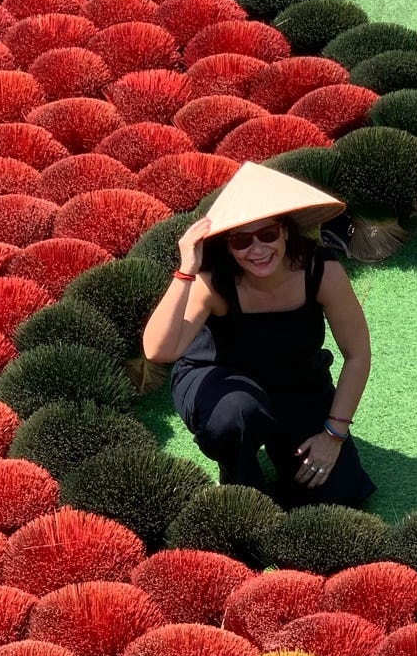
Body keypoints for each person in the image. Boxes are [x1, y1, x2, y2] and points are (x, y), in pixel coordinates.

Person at [141, 161, 375, 506]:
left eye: (267, 234)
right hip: (221, 383)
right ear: (228, 246)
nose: (258, 249)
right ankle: (239, 478)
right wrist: (186, 270)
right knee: (237, 414)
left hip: (296, 384)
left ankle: (283, 445)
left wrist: (333, 435)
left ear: (284, 231)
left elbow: (358, 355)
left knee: (336, 494)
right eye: (241, 240)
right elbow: (157, 351)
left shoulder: (321, 271)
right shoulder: (213, 281)